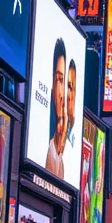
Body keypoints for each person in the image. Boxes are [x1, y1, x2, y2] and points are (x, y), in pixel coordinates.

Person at [46, 37, 67, 178]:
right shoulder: (48, 147)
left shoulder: (61, 156)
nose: (63, 94)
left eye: (63, 81)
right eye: (59, 80)